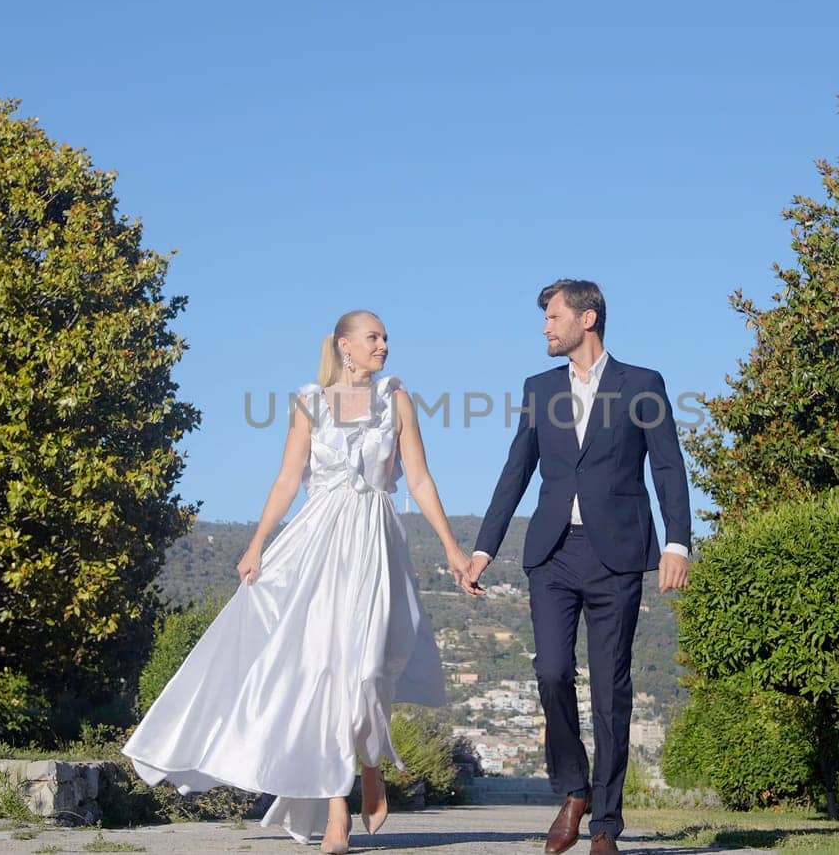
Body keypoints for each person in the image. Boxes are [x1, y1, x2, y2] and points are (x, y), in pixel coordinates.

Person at [123, 309, 481, 855]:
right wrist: (256, 543)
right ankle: (336, 807)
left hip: (375, 543)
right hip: (317, 544)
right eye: (373, 337)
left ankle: (369, 764)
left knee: (368, 666)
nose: (384, 345)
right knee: (325, 667)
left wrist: (453, 546)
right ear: (344, 346)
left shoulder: (397, 400)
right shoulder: (310, 402)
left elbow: (422, 478)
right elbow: (288, 479)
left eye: (385, 337)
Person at [459, 279, 692, 855]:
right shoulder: (539, 390)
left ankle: (605, 825)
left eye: (554, 316)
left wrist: (678, 544)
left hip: (618, 554)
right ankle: (574, 788)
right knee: (551, 673)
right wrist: (484, 548)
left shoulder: (642, 384)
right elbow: (516, 471)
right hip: (553, 553)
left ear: (587, 319)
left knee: (613, 691)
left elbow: (667, 467)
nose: (546, 327)